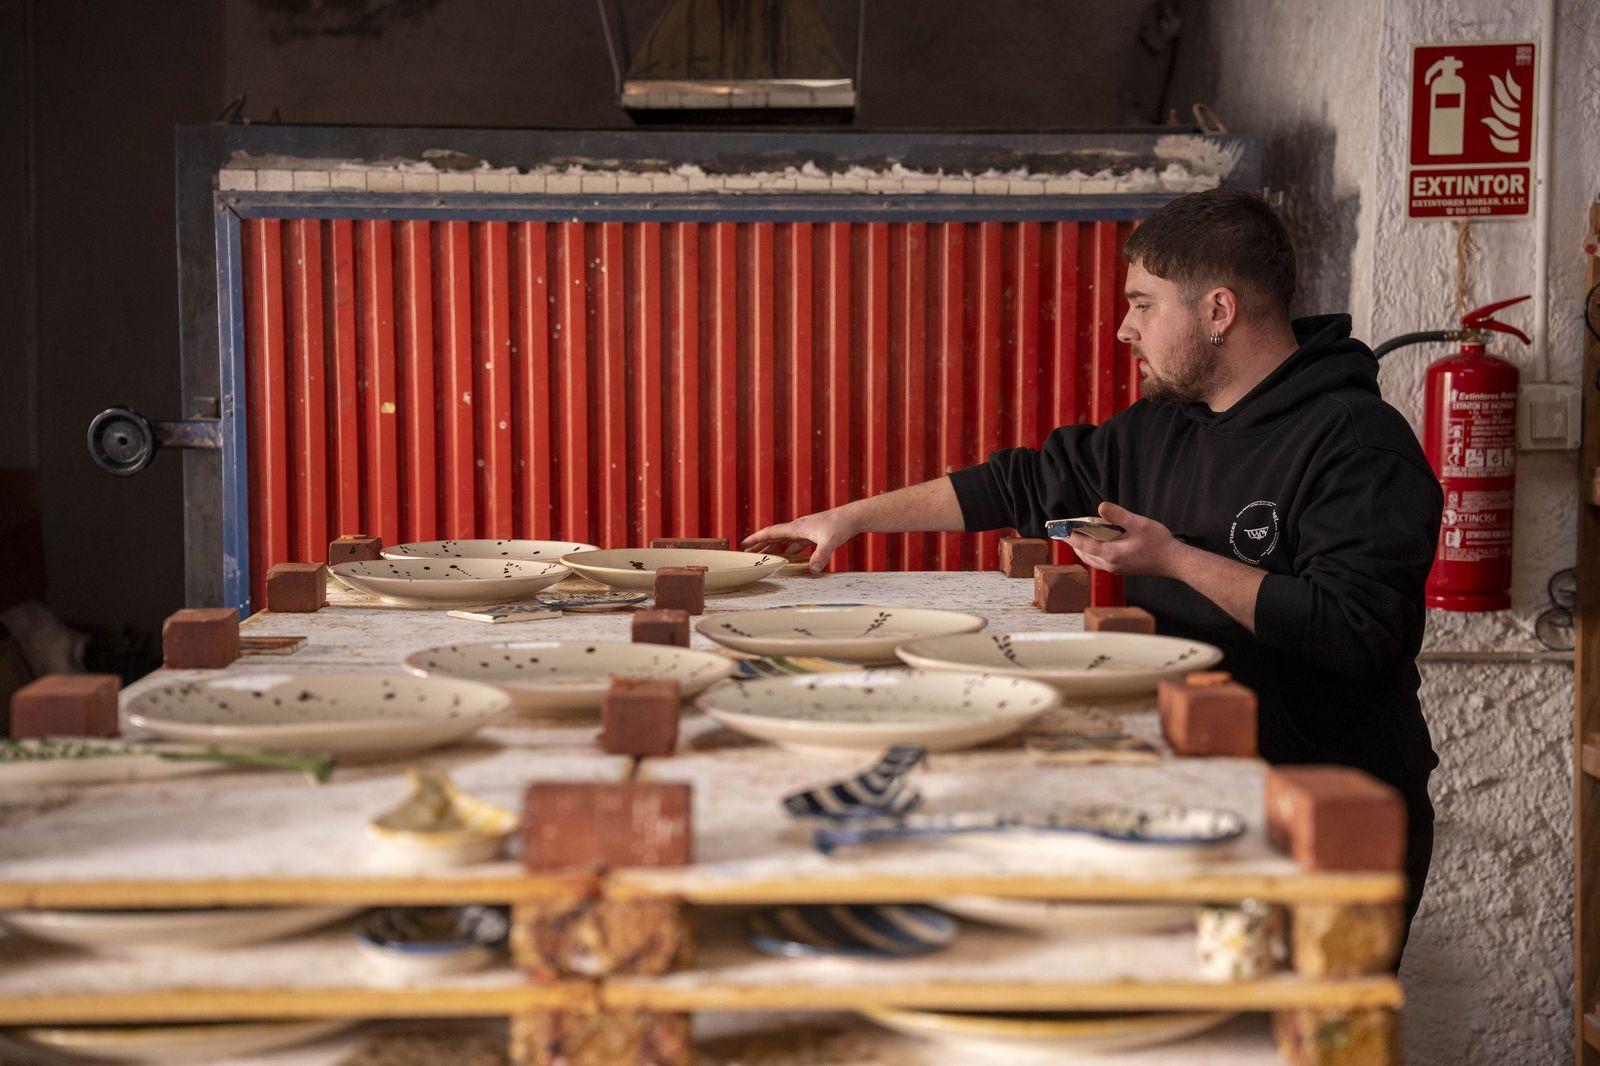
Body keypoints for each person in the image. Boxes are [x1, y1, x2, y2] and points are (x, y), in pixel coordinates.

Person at [743, 187, 1442, 942]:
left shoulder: (1357, 445)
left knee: (1304, 1045)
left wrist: (1175, 560)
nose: (1122, 329)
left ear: (1217, 312)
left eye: (1143, 305)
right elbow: (1019, 482)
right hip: (1186, 793)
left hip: (1325, 811)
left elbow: (1354, 630)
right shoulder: (1162, 426)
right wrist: (849, 520)